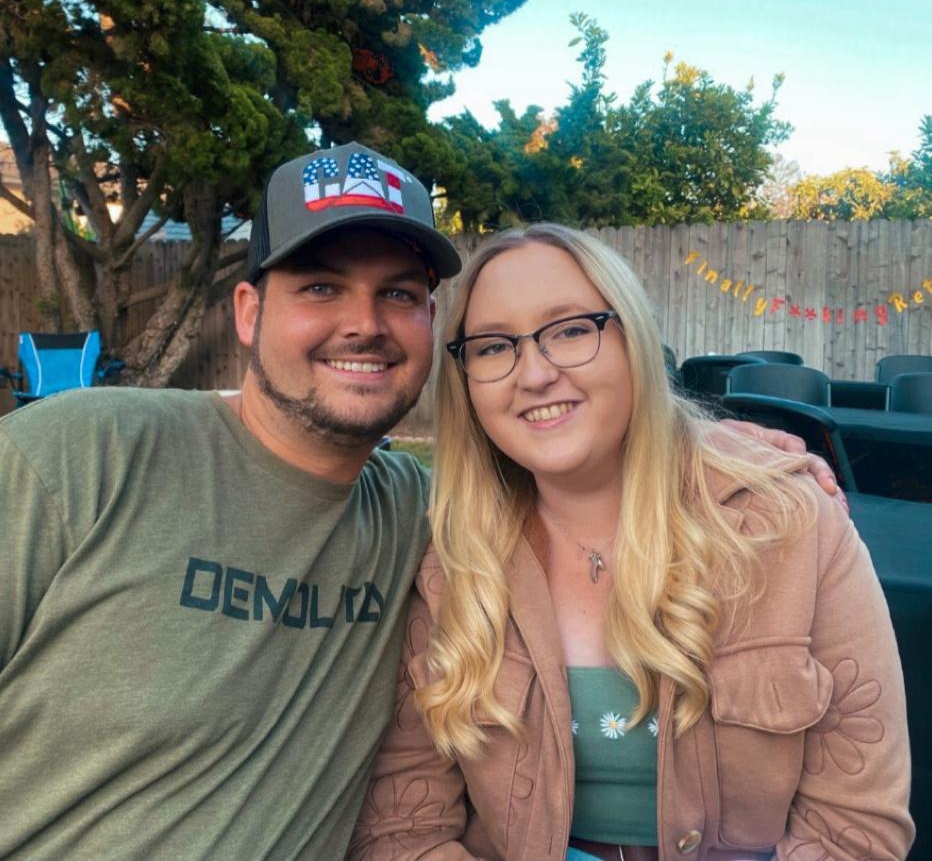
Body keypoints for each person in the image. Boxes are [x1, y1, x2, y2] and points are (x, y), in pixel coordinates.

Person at [0, 142, 843, 859]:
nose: (364, 323)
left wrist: (718, 450)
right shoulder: (83, 453)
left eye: (399, 294)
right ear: (249, 312)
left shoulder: (434, 517)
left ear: (432, 325)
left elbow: (579, 463)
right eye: (321, 287)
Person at [350, 224, 913, 861]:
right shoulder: (450, 555)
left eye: (571, 330)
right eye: (493, 346)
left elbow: (854, 830)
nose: (533, 374)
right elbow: (404, 828)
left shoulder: (791, 524)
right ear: (467, 378)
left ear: (633, 341)